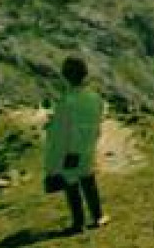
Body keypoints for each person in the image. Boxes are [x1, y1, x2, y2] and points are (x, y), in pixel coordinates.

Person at [44, 56, 107, 234]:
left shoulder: (66, 101)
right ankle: (98, 216)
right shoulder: (95, 98)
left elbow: (60, 132)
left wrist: (53, 159)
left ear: (66, 76)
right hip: (88, 145)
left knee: (71, 184)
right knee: (88, 178)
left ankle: (78, 222)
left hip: (71, 150)